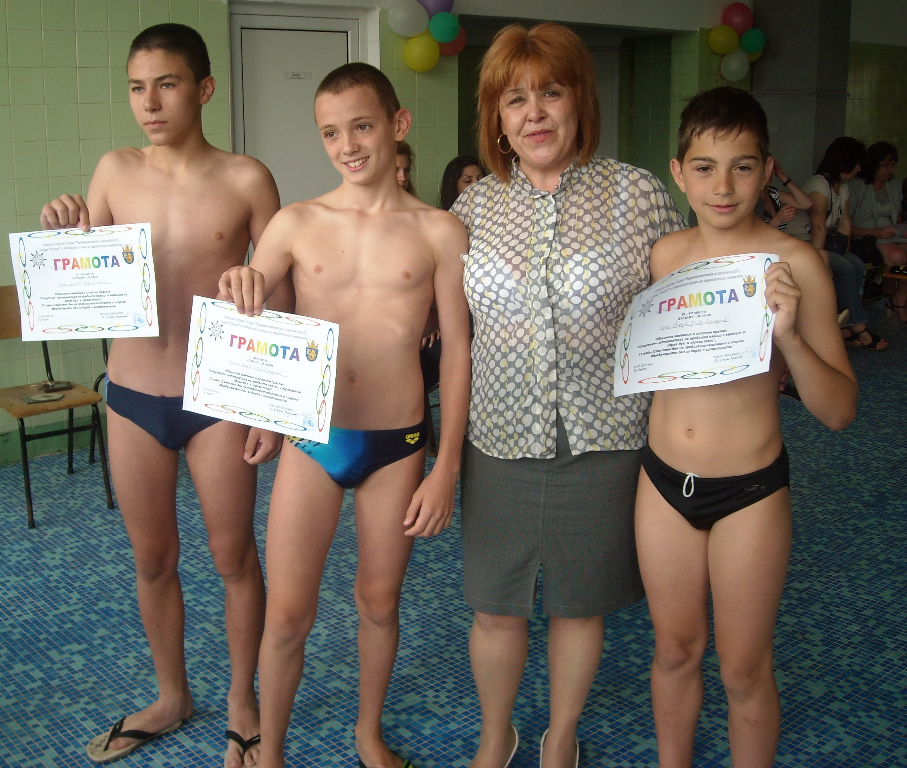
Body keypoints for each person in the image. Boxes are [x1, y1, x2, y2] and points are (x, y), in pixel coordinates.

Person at [39, 23, 291, 768]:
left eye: (167, 84)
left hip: (217, 398)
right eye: (137, 87)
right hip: (132, 396)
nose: (149, 102)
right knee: (152, 558)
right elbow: (85, 278)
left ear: (203, 89)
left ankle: (242, 698)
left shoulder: (247, 179)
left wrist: (272, 409)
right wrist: (63, 232)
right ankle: (172, 695)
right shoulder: (113, 170)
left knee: (232, 556)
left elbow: (282, 294)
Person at [217, 62, 472, 768]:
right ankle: (271, 752)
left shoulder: (440, 230)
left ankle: (367, 734)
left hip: (398, 443)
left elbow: (456, 351)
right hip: (312, 437)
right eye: (331, 132)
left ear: (398, 124)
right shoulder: (297, 223)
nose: (348, 145)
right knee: (287, 614)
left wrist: (446, 467)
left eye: (362, 126)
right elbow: (247, 313)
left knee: (379, 603)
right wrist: (240, 281)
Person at [450, 23, 685, 768]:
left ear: (579, 99)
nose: (535, 113)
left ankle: (560, 736)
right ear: (496, 118)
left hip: (605, 436)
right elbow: (426, 317)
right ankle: (497, 736)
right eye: (515, 99)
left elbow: (687, 303)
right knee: (495, 605)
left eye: (550, 92)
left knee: (578, 603)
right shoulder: (471, 210)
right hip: (498, 437)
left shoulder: (637, 195)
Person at [636, 87, 857, 767]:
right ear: (679, 173)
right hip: (662, 483)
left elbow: (839, 410)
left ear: (766, 170)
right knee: (674, 650)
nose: (723, 187)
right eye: (704, 167)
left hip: (750, 491)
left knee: (742, 668)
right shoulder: (664, 257)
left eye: (741, 166)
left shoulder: (797, 265)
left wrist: (788, 337)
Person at [788, 137, 888, 350]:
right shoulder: (819, 185)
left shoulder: (843, 186)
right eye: (856, 164)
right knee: (845, 267)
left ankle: (845, 323)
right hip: (803, 243)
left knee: (856, 263)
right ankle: (858, 327)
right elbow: (818, 227)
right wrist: (821, 262)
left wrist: (845, 250)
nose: (859, 169)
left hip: (826, 241)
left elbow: (845, 222)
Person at [849, 141, 907, 323]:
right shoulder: (857, 186)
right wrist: (877, 233)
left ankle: (899, 298)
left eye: (892, 165)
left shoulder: (894, 184)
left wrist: (903, 231)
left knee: (902, 253)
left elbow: (898, 217)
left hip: (892, 232)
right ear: (873, 165)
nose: (890, 170)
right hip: (866, 233)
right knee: (897, 257)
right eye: (886, 165)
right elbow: (846, 224)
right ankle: (889, 293)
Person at [759, 158, 811, 231]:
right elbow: (756, 234)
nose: (772, 172)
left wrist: (782, 176)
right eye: (767, 168)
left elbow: (806, 203)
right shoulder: (751, 197)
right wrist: (777, 220)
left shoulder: (772, 192)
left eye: (773, 167)